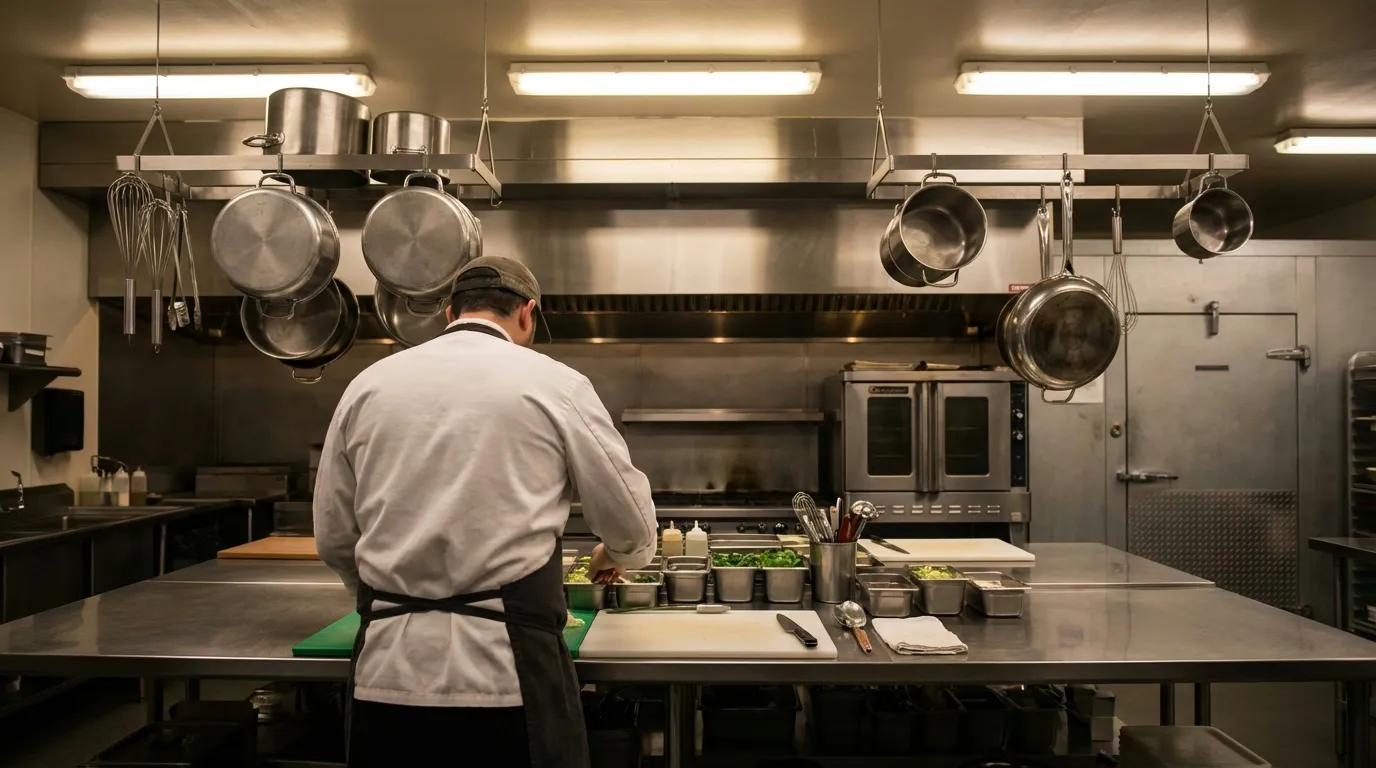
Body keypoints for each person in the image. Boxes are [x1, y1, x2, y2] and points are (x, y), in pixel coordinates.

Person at [314, 256, 657, 768]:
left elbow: (333, 535)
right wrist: (619, 554)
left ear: (450, 312)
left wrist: (386, 595)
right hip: (508, 676)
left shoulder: (367, 385)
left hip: (385, 673)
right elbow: (631, 523)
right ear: (528, 313)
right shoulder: (556, 384)